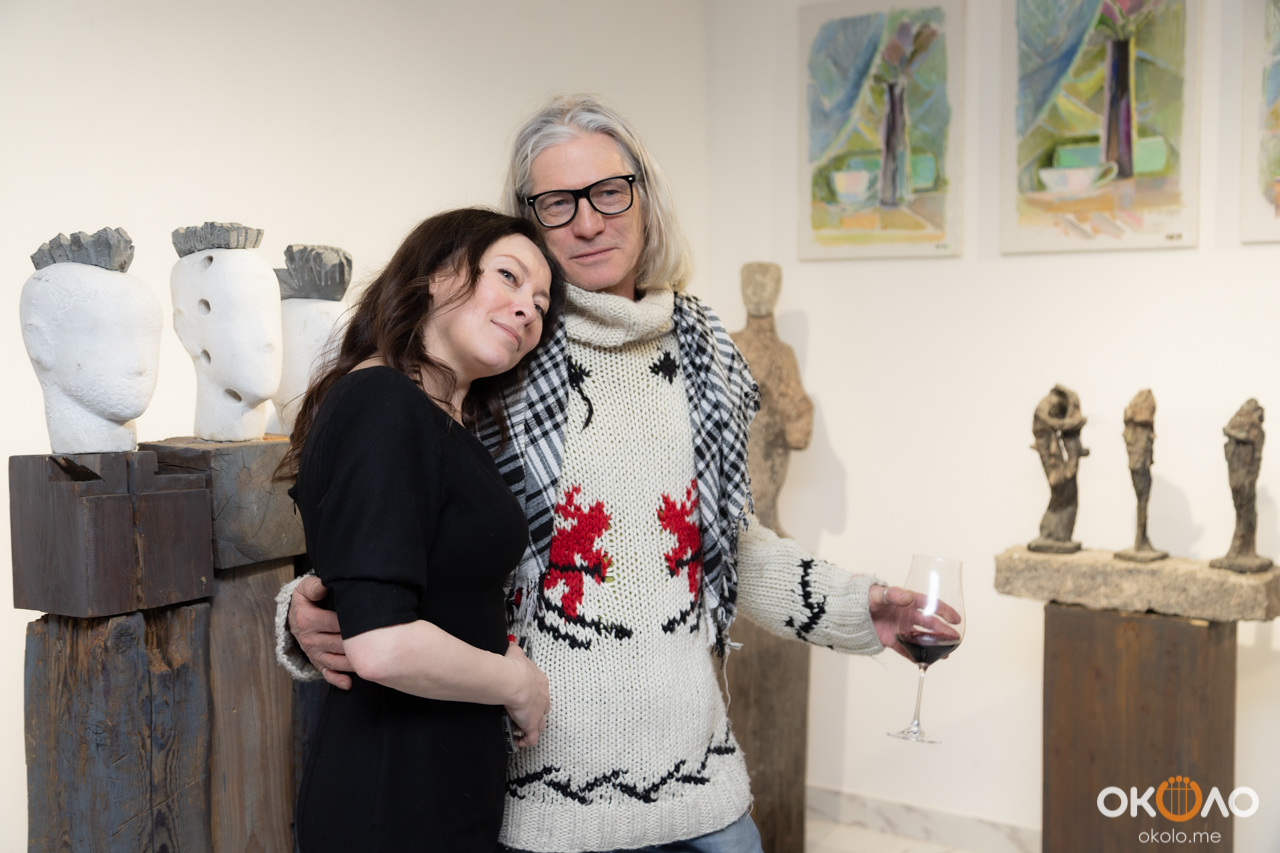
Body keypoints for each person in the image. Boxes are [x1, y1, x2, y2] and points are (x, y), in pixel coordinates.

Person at [279, 96, 921, 853]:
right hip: (541, 804)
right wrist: (307, 607)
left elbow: (724, 546)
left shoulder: (706, 354)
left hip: (704, 791)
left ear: (645, 200)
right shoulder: (493, 354)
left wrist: (857, 607)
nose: (587, 222)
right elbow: (406, 530)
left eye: (609, 192)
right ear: (527, 220)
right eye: (558, 203)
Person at [280, 208, 562, 852]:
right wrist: (516, 681)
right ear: (436, 275)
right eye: (509, 277)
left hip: (437, 791)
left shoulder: (441, 422)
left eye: (542, 305)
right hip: (391, 801)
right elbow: (382, 644)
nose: (528, 310)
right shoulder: (383, 401)